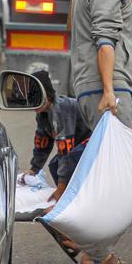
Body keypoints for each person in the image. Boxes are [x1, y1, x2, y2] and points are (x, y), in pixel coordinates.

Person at [69, 0, 132, 264]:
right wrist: (111, 91)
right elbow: (104, 41)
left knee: (103, 170)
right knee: (117, 173)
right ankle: (75, 234)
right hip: (105, 90)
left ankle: (95, 253)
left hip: (92, 86)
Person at [20, 71, 92, 204]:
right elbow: (43, 144)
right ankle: (72, 196)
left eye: (36, 97)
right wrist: (34, 169)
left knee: (68, 160)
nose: (32, 103)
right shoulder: (42, 113)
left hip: (94, 141)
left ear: (47, 96)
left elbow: (66, 152)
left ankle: (72, 197)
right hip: (77, 145)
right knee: (55, 164)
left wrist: (60, 189)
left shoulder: (61, 110)